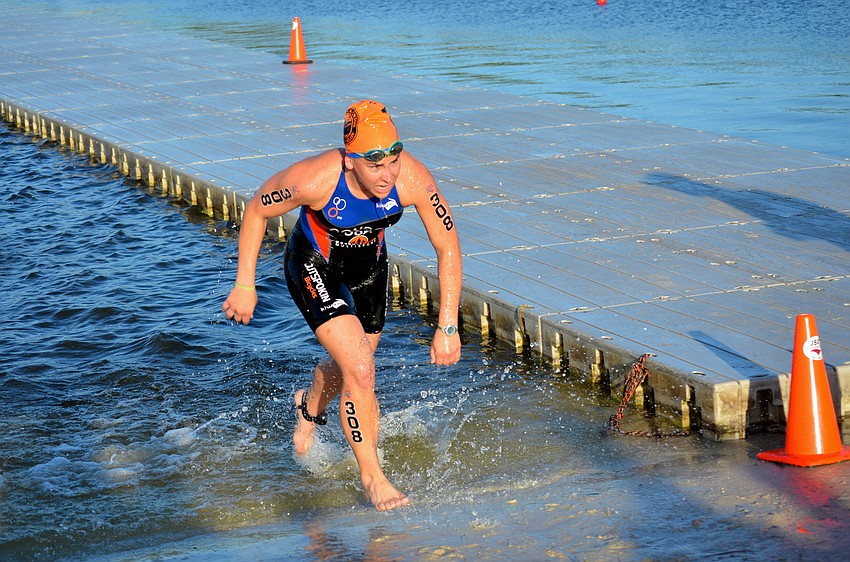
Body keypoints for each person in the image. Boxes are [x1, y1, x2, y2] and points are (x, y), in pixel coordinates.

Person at [221, 100, 462, 511]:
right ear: (351, 161)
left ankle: (309, 405)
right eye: (374, 163)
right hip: (315, 265)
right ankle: (374, 479)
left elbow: (448, 245)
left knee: (357, 363)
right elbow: (258, 208)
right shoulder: (315, 178)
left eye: (394, 158)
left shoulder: (414, 179)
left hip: (369, 270)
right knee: (362, 370)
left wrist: (448, 325)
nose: (387, 174)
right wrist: (245, 283)